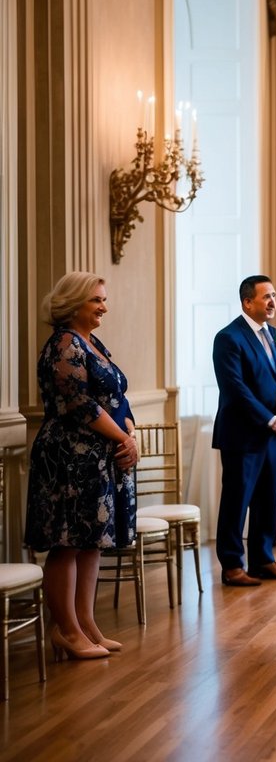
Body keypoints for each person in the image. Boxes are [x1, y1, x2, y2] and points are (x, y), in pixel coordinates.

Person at [25, 272, 137, 660]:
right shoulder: (64, 344)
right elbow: (80, 405)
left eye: (103, 299)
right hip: (69, 459)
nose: (104, 306)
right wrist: (123, 439)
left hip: (97, 458)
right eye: (96, 300)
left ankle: (86, 625)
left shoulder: (92, 342)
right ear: (74, 303)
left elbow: (117, 396)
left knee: (92, 543)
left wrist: (130, 434)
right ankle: (66, 631)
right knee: (68, 543)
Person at [212, 276, 276, 588]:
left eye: (274, 295)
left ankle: (263, 559)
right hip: (243, 434)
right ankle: (232, 565)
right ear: (247, 302)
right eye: (266, 297)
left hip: (274, 434)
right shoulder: (228, 338)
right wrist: (268, 418)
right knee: (237, 501)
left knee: (268, 498)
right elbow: (235, 388)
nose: (273, 302)